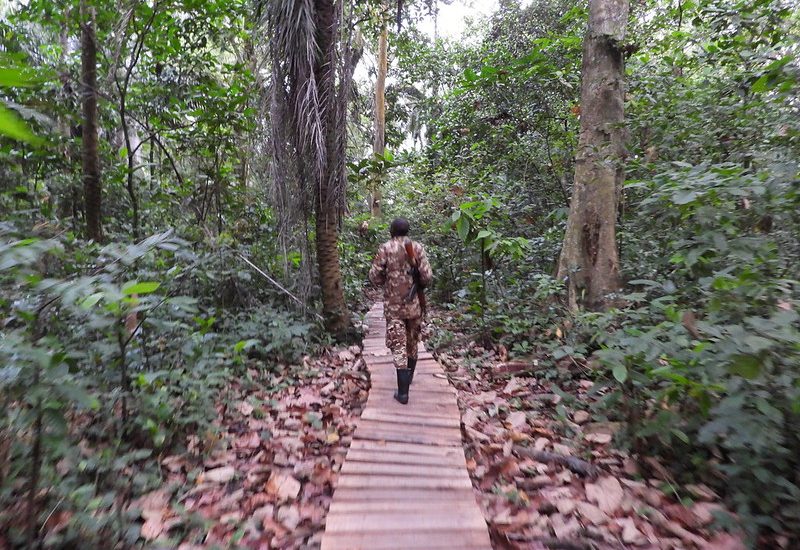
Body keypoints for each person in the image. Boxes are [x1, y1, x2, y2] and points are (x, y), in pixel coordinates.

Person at [368, 218, 433, 404]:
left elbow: (374, 276)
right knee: (412, 343)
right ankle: (408, 379)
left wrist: (387, 282)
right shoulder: (417, 247)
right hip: (414, 307)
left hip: (393, 307)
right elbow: (427, 277)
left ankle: (403, 393)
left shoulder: (385, 248)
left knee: (398, 346)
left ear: (391, 231)